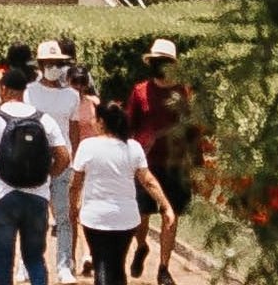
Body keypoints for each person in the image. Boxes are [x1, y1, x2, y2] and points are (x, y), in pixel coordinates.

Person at [0, 56, 69, 285]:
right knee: (35, 258)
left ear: (3, 89)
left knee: (4, 261)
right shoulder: (43, 119)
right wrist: (48, 175)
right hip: (37, 197)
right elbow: (64, 156)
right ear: (24, 91)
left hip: (3, 197)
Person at [70, 99, 175, 285]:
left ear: (102, 122)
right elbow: (148, 181)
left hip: (95, 217)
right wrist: (166, 207)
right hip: (125, 219)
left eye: (95, 119)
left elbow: (75, 184)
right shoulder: (133, 147)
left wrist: (72, 206)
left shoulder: (87, 146)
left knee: (102, 264)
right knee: (117, 266)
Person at [124, 39, 194, 284]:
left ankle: (164, 268)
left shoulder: (183, 93)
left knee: (170, 214)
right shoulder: (140, 91)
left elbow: (192, 130)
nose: (159, 66)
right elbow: (128, 127)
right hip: (145, 165)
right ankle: (142, 245)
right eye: (156, 62)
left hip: (174, 165)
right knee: (140, 215)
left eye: (164, 62)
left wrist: (196, 164)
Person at [31, 40, 86, 282]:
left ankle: (64, 264)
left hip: (62, 161)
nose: (54, 67)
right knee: (35, 216)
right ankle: (29, 262)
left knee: (64, 215)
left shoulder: (72, 96)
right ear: (41, 65)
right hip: (34, 160)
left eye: (58, 63)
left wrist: (74, 160)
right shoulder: (29, 91)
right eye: (49, 63)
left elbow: (74, 131)